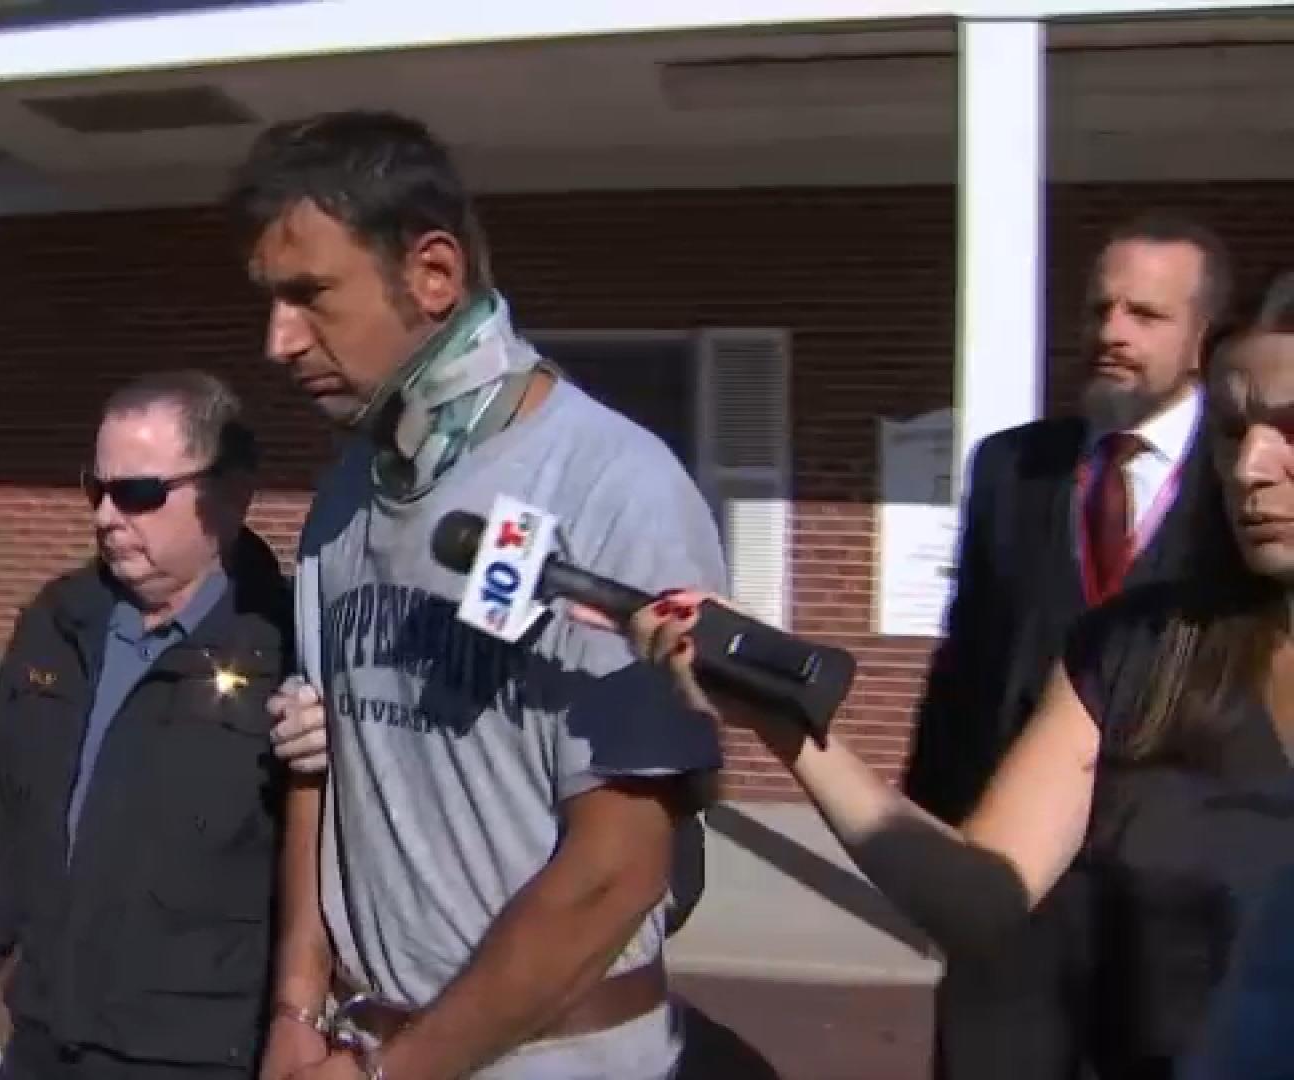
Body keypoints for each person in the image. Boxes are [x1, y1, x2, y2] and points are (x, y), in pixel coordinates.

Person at [588, 299, 1294, 1080]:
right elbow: (981, 901)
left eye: (1291, 425)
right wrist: (786, 724)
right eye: (1232, 430)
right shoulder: (1140, 650)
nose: (1253, 465)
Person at [237, 109, 729, 1080]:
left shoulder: (614, 486)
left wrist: (394, 1075)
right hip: (356, 1039)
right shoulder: (344, 500)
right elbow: (321, 766)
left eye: (309, 296)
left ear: (433, 274)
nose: (277, 341)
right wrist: (297, 1004)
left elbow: (618, 873)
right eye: (269, 301)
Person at [0, 371, 297, 1079]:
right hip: (46, 1030)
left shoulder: (290, 647)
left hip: (193, 1054)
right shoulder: (59, 622)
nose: (106, 515)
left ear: (230, 494)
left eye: (137, 493)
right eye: (94, 489)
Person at [900, 216, 1233, 1080]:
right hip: (1015, 894)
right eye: (1100, 309)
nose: (1111, 334)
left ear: (1204, 340)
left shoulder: (1244, 483)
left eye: (1145, 315)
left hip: (1174, 906)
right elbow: (964, 665)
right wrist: (933, 842)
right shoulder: (1014, 467)